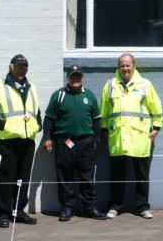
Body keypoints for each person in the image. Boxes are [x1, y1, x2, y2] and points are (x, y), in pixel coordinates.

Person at [100, 53, 163, 219]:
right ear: (118, 67)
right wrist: (104, 130)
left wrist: (157, 127)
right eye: (122, 65)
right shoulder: (110, 85)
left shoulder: (145, 84)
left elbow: (156, 107)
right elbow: (104, 111)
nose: (125, 68)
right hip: (117, 137)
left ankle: (143, 207)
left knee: (141, 175)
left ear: (134, 66)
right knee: (117, 176)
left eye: (128, 65)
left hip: (140, 137)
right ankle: (115, 206)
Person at [42, 65, 107, 222]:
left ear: (82, 78)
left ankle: (89, 206)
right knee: (65, 176)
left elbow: (96, 120)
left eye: (78, 76)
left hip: (86, 142)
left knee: (87, 176)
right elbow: (49, 118)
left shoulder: (89, 95)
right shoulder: (59, 95)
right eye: (73, 76)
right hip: (64, 141)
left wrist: (96, 139)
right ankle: (68, 207)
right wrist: (46, 137)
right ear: (68, 78)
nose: (76, 79)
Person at [0, 54, 41, 228]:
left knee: (23, 179)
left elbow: (37, 112)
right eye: (18, 66)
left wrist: (38, 125)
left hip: (27, 141)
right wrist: (5, 127)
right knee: (5, 179)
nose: (21, 70)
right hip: (6, 141)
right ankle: (2, 214)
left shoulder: (32, 88)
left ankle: (18, 211)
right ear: (10, 68)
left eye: (24, 66)